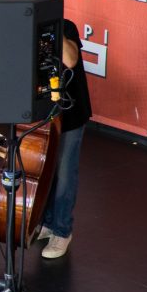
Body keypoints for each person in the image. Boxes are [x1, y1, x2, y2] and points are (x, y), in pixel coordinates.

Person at [37, 20, 90, 258]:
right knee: (47, 171)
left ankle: (62, 231)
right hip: (44, 112)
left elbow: (70, 60)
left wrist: (53, 33)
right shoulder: (24, 32)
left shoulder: (65, 27)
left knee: (65, 173)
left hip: (71, 113)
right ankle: (48, 224)